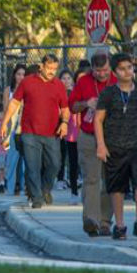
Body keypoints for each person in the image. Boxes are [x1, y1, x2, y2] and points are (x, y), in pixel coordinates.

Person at [94, 53, 137, 240]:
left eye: (130, 67)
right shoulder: (108, 93)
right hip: (114, 146)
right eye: (122, 68)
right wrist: (101, 145)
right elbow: (98, 120)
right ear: (115, 72)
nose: (127, 71)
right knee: (117, 187)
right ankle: (119, 225)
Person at [0, 55, 70, 208]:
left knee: (54, 164)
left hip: (52, 134)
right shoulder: (27, 81)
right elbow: (14, 104)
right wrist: (4, 123)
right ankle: (37, 198)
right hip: (29, 133)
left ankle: (45, 189)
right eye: (49, 68)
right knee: (32, 166)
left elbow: (65, 109)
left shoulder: (58, 85)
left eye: (54, 69)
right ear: (41, 66)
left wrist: (64, 123)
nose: (52, 72)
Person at [69, 54, 116, 236]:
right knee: (91, 178)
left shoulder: (117, 80)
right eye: (97, 71)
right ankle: (91, 220)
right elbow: (72, 106)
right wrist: (86, 103)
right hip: (88, 136)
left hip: (112, 137)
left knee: (110, 180)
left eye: (105, 70)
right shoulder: (84, 82)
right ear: (92, 69)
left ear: (110, 67)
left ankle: (105, 221)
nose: (102, 74)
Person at [57, 69, 80, 205]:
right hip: (63, 129)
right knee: (65, 158)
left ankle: (76, 185)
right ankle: (64, 182)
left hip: (77, 130)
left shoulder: (77, 93)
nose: (66, 81)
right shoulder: (58, 93)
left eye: (68, 78)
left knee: (76, 161)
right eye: (63, 78)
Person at [3, 64, 26, 196]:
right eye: (18, 74)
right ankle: (10, 186)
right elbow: (6, 109)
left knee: (24, 160)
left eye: (23, 74)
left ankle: (22, 186)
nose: (21, 77)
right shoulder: (9, 90)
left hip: (23, 126)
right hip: (11, 126)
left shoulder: (29, 89)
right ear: (14, 75)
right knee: (11, 159)